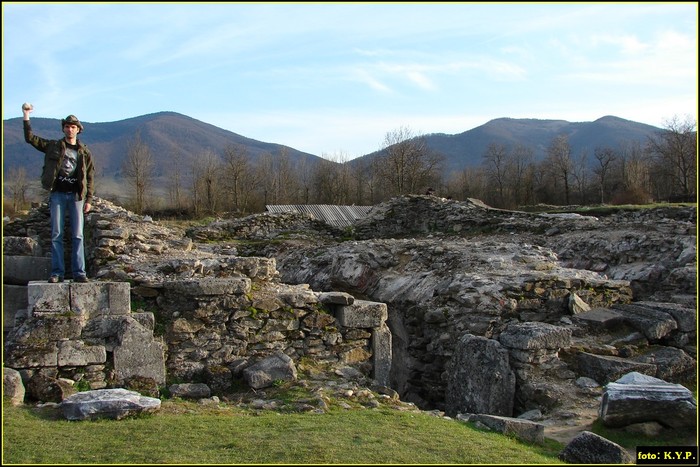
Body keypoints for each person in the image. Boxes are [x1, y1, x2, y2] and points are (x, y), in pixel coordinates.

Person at [23, 104, 95, 283]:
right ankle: (57, 273)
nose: (70, 129)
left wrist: (89, 199)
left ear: (78, 130)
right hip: (57, 195)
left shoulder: (84, 152)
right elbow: (30, 138)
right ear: (63, 128)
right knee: (57, 234)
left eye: (73, 127)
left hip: (76, 197)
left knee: (77, 235)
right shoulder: (54, 146)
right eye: (67, 126)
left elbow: (91, 176)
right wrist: (26, 116)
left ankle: (79, 273)